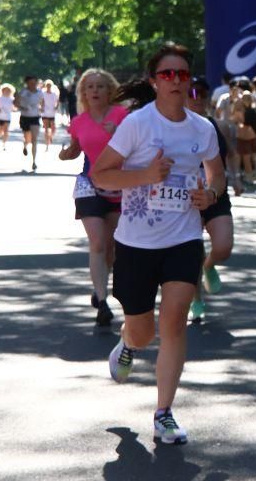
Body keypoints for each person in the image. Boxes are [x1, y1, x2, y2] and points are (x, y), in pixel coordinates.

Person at [91, 43, 223, 446]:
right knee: (143, 331)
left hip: (184, 239)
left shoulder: (203, 128)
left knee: (175, 320)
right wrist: (145, 175)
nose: (176, 80)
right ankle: (128, 344)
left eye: (182, 74)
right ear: (153, 81)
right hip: (136, 243)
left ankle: (164, 413)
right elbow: (101, 175)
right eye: (167, 74)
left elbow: (217, 175)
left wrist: (210, 195)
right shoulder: (137, 124)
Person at [58, 69, 127, 327]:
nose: (95, 91)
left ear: (110, 90)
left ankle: (100, 287)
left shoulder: (123, 116)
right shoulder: (78, 121)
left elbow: (139, 147)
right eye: (90, 87)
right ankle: (103, 301)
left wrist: (119, 132)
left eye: (100, 86)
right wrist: (66, 154)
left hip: (120, 185)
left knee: (111, 246)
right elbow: (76, 149)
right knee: (97, 242)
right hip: (89, 184)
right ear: (83, 93)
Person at [186, 76, 233, 320]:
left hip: (216, 190)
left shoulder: (219, 126)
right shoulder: (175, 126)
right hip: (187, 195)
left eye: (202, 94)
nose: (197, 98)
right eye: (192, 93)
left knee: (223, 247)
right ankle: (196, 300)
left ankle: (209, 264)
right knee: (193, 251)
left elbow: (230, 155)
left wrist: (238, 178)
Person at [16, 75, 43, 171]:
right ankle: (25, 145)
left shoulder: (39, 93)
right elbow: (16, 102)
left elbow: (42, 102)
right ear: (27, 83)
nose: (33, 85)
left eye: (34, 83)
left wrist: (41, 108)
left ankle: (34, 161)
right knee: (28, 138)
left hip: (35, 117)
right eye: (30, 83)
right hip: (25, 117)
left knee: (34, 139)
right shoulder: (23, 92)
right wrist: (22, 107)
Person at [0, 84, 14, 149]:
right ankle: (0, 134)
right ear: (2, 90)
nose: (7, 91)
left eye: (8, 90)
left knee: (6, 130)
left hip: (7, 117)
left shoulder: (12, 99)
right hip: (0, 116)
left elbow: (14, 106)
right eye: (5, 90)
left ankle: (4, 144)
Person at [41, 79, 60, 148]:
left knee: (53, 128)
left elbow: (57, 101)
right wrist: (41, 108)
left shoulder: (54, 94)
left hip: (52, 113)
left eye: (50, 85)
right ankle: (47, 143)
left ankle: (50, 136)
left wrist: (56, 107)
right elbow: (42, 101)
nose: (48, 87)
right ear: (46, 86)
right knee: (46, 128)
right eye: (47, 85)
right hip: (45, 112)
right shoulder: (43, 93)